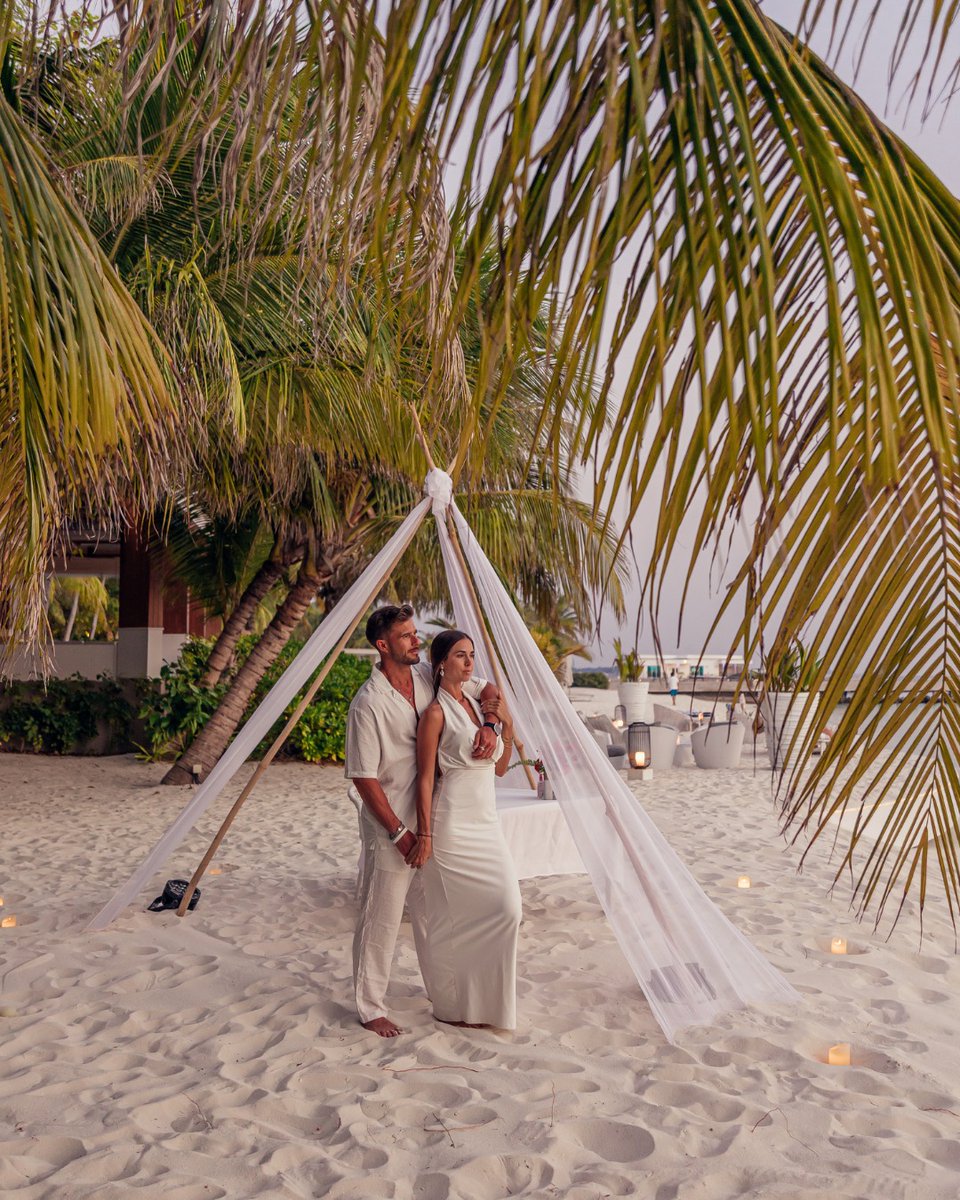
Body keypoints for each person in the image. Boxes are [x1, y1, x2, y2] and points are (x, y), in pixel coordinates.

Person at [345, 605, 502, 1038]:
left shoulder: (423, 678)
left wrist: (489, 722)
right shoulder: (368, 703)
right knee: (383, 915)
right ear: (383, 645)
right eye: (406, 636)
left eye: (416, 634)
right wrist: (398, 833)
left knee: (432, 914)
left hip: (435, 819)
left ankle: (443, 997)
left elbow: (488, 687)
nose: (417, 641)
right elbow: (363, 776)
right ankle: (370, 1005)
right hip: (390, 825)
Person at [409, 630, 522, 1030]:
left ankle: (488, 1004)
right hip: (452, 825)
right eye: (461, 655)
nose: (470, 662)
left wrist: (502, 726)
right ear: (441, 663)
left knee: (507, 909)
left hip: (486, 823)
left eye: (472, 655)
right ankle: (453, 1005)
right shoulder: (435, 714)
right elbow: (425, 779)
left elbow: (503, 767)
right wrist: (425, 835)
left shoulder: (479, 705)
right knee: (449, 916)